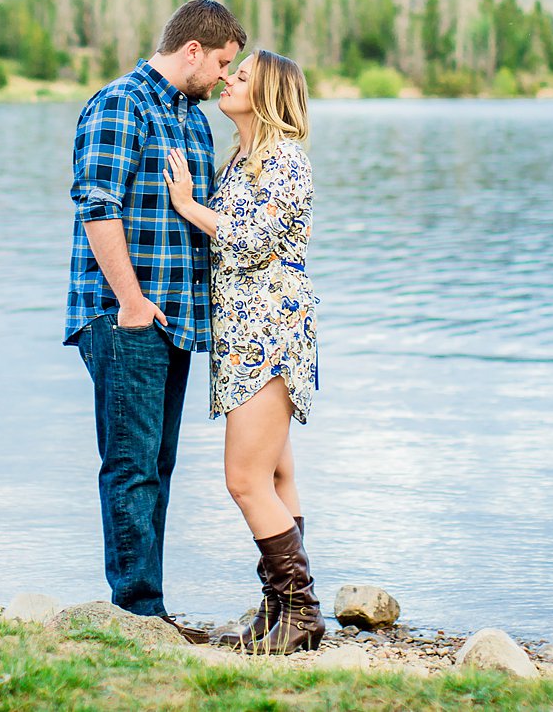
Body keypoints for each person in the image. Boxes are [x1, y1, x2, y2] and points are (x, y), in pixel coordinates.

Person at [65, 0, 247, 633]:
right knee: (132, 465)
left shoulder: (192, 123)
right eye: (223, 63)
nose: (226, 76)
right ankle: (138, 613)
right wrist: (133, 302)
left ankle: (148, 610)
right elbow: (97, 206)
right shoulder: (121, 104)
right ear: (191, 50)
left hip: (175, 325)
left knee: (158, 465)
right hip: (127, 320)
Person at [162, 47, 322, 655]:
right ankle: (279, 609)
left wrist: (185, 206)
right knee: (276, 474)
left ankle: (301, 610)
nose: (228, 79)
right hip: (245, 336)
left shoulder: (285, 161)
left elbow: (252, 243)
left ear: (269, 95)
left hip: (270, 337)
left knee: (243, 478)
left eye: (243, 75)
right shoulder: (242, 161)